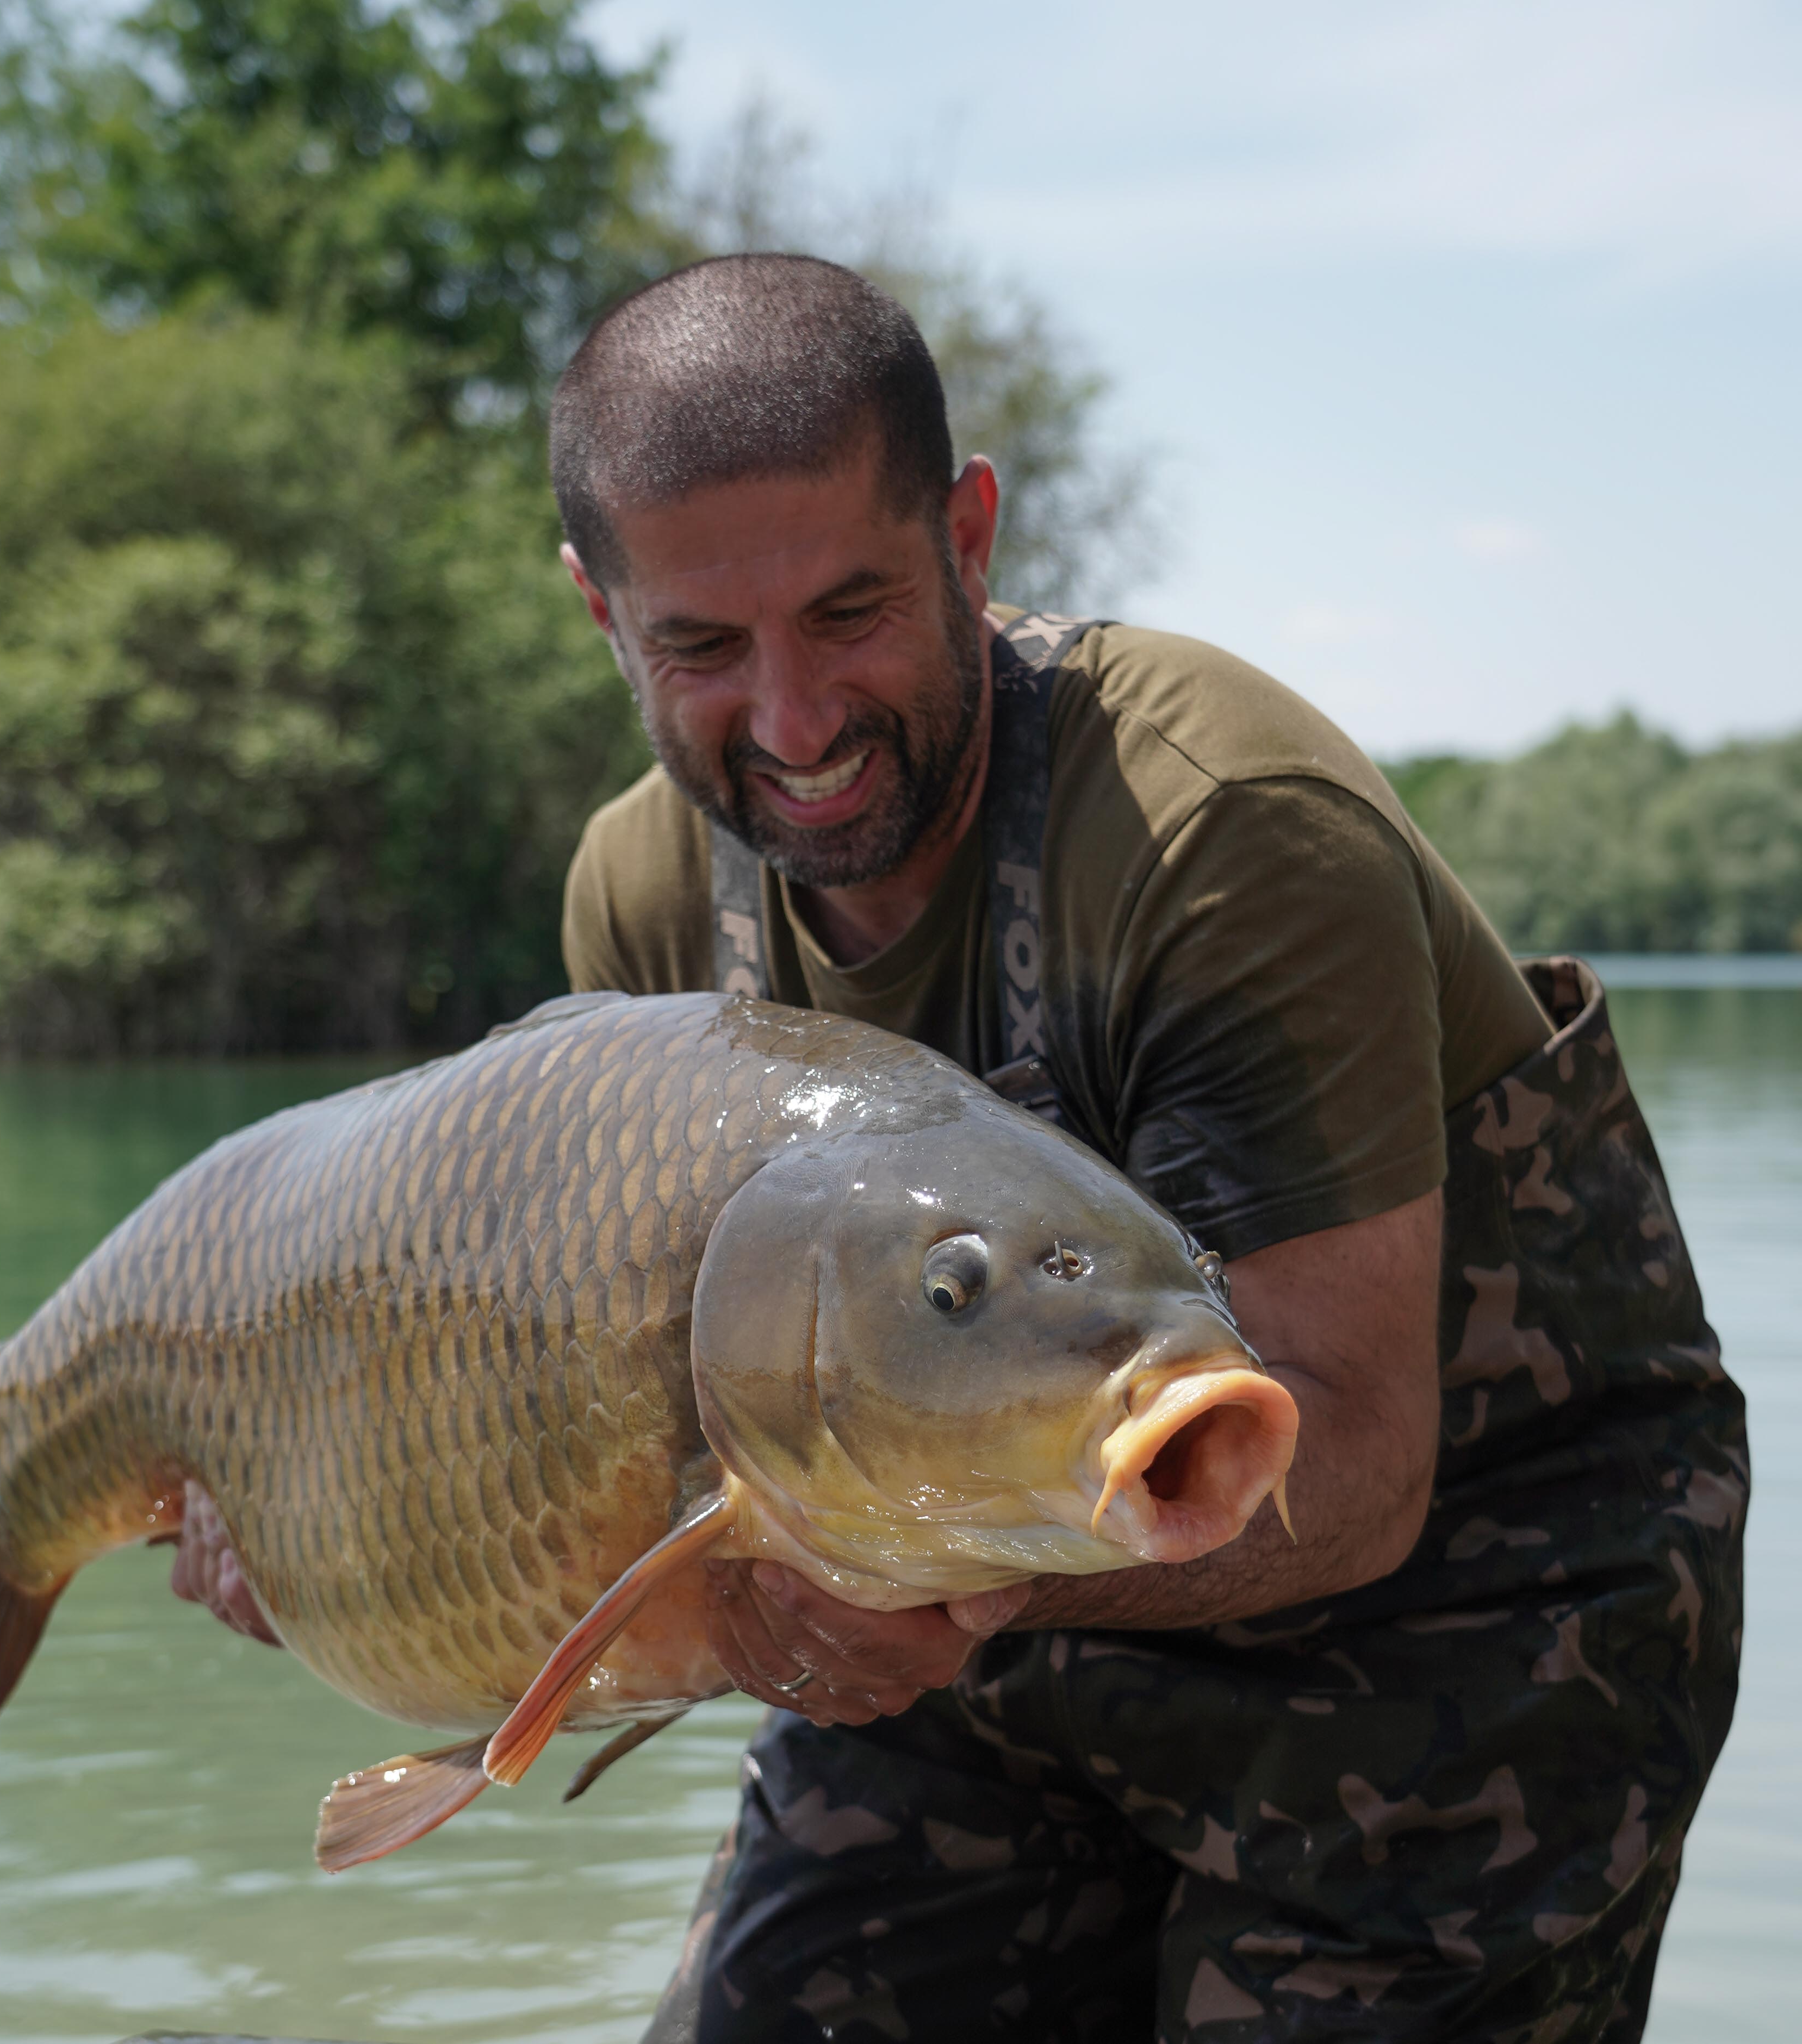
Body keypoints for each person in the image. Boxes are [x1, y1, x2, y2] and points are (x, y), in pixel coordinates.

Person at [176, 256, 1747, 2041]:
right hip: (970, 1619)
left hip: (1475, 1618)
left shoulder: (1219, 830)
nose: (794, 721)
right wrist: (342, 1550)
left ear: (970, 536)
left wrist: (949, 1580)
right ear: (601, 614)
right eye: (700, 645)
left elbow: (1361, 1457)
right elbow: (643, 1463)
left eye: (851, 611)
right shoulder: (640, 892)